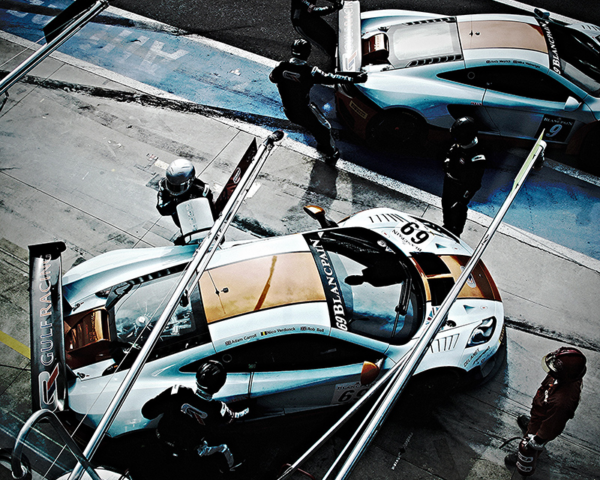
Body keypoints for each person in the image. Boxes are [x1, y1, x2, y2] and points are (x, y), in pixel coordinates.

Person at [142, 360, 249, 474]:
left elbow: (147, 412)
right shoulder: (217, 409)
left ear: (197, 377)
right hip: (188, 454)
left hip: (159, 444)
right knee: (225, 446)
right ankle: (233, 469)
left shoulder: (178, 392)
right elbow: (229, 420)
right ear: (219, 387)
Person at [270, 38, 367, 164]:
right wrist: (355, 78)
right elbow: (332, 78)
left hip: (289, 111)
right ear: (307, 53)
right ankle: (331, 154)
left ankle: (322, 144)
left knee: (314, 125)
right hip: (303, 110)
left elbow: (272, 78)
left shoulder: (280, 67)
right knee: (324, 127)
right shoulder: (310, 72)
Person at [505, 347, 587, 476]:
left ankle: (526, 455)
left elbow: (552, 425)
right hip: (540, 411)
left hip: (544, 421)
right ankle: (531, 427)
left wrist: (538, 440)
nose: (551, 370)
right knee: (533, 425)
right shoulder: (563, 374)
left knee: (532, 444)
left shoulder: (562, 403)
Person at [441, 117, 486, 237]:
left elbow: (475, 184)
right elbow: (450, 152)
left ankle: (455, 232)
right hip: (450, 181)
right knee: (446, 205)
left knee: (457, 210)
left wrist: (462, 201)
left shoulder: (477, 157)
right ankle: (447, 226)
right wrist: (447, 161)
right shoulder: (459, 143)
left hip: (461, 187)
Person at [156, 158, 215, 228]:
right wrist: (175, 202)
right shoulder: (163, 186)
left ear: (190, 181)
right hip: (183, 224)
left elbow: (212, 210)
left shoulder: (202, 190)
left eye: (177, 187)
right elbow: (162, 209)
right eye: (171, 185)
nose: (173, 189)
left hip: (201, 223)